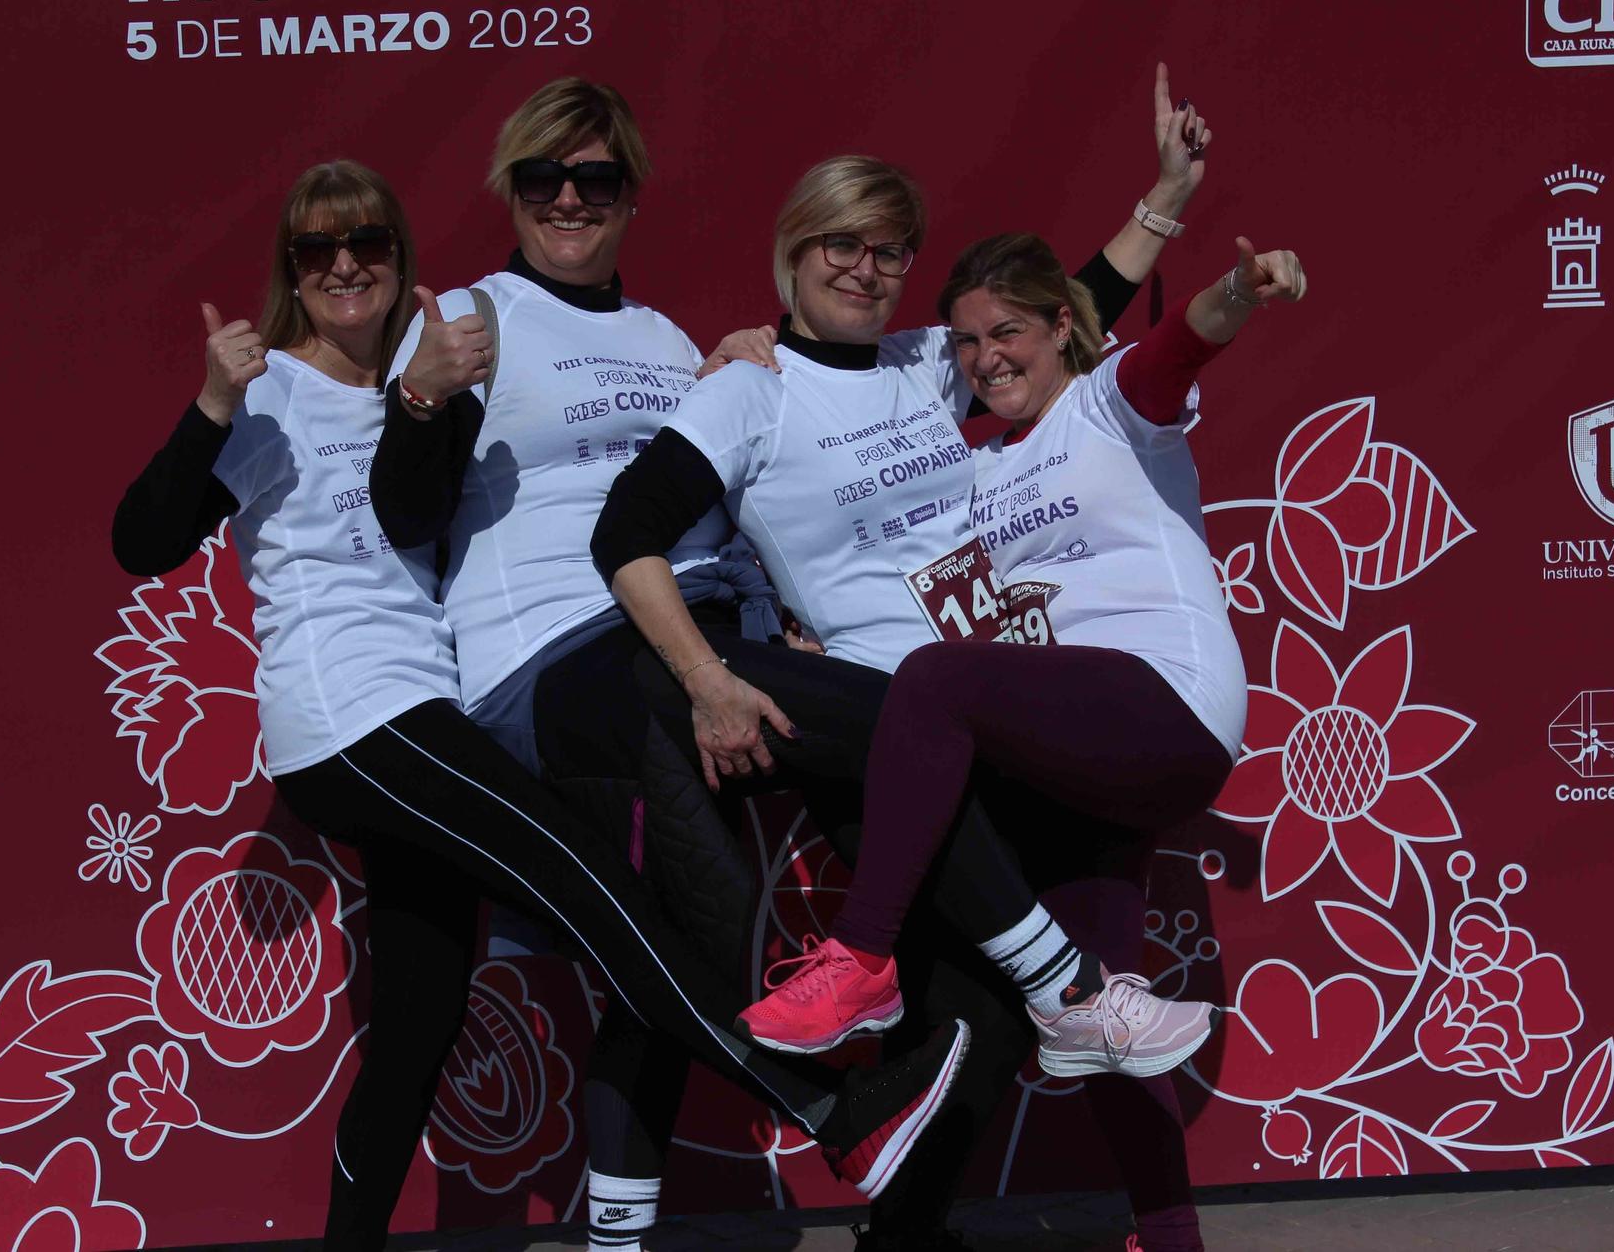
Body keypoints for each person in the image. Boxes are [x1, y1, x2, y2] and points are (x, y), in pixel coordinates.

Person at [380, 72, 1216, 1252]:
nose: (864, 268)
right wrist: (420, 399)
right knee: (788, 844)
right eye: (544, 177)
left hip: (824, 675)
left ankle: (894, 1189)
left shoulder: (737, 351)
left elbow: (1054, 312)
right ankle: (1062, 994)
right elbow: (573, 526)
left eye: (886, 250)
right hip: (630, 673)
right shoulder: (508, 328)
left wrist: (1164, 202)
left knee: (777, 968)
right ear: (791, 253)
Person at [110, 158, 971, 1252]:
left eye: (367, 245)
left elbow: (572, 452)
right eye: (316, 252)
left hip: (430, 708)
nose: (343, 268)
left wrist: (735, 361)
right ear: (291, 270)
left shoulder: (431, 382)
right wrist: (211, 403)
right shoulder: (272, 390)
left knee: (418, 1022)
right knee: (595, 891)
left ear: (400, 261)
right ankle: (829, 1110)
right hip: (350, 718)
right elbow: (140, 543)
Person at [736, 230, 1306, 1064]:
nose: (985, 359)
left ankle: (861, 954)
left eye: (1006, 332)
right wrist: (759, 355)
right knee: (1099, 1018)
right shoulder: (975, 472)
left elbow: (1180, 346)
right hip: (1076, 751)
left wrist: (1240, 288)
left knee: (934, 684)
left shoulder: (1109, 401)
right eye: (966, 341)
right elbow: (891, 570)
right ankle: (1140, 1177)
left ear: (1062, 328)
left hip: (1167, 704)